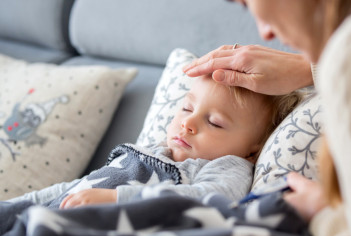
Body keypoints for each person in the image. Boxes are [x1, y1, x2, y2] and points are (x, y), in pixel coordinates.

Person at [183, 0, 351, 236]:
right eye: (185, 108)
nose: (265, 32)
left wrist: (323, 214)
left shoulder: (349, 54)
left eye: (247, 2)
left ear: (253, 151)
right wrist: (308, 67)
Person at [7, 74, 302, 209]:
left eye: (214, 122)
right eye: (187, 108)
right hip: (51, 213)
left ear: (253, 152)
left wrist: (118, 199)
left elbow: (212, 199)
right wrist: (15, 205)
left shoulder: (227, 167)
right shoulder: (148, 151)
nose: (187, 122)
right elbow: (74, 188)